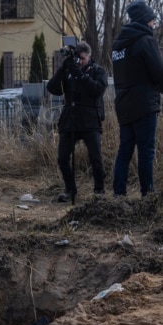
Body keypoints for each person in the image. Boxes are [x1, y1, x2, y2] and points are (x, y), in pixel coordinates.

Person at [112, 1, 163, 197]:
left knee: (124, 151)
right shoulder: (145, 41)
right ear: (145, 19)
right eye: (152, 20)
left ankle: (118, 194)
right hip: (143, 104)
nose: (153, 25)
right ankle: (147, 195)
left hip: (123, 105)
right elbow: (158, 72)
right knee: (146, 151)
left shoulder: (118, 45)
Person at [46, 41, 108, 203]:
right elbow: (53, 88)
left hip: (90, 119)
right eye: (77, 59)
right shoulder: (69, 71)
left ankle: (99, 190)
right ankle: (70, 189)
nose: (80, 62)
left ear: (89, 56)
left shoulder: (98, 71)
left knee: (95, 157)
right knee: (62, 157)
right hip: (70, 119)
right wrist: (63, 69)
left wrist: (81, 75)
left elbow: (97, 90)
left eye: (82, 59)